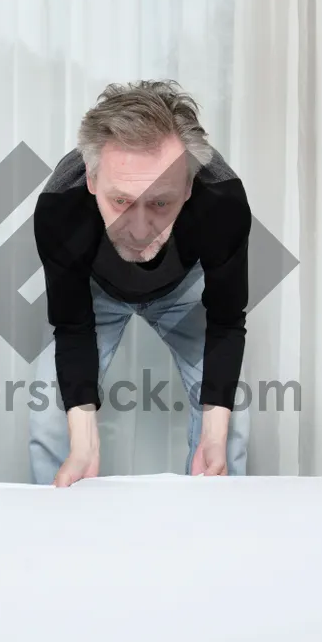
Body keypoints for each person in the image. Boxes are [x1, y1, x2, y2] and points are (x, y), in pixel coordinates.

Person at [29, 79, 252, 487]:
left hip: (181, 291)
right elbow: (73, 327)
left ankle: (216, 532)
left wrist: (213, 436)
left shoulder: (223, 200)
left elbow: (226, 320)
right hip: (96, 293)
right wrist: (85, 446)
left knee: (229, 431)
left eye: (160, 203)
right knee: (49, 420)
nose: (138, 229)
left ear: (188, 187)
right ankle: (56, 531)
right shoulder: (60, 206)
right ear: (92, 182)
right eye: (121, 202)